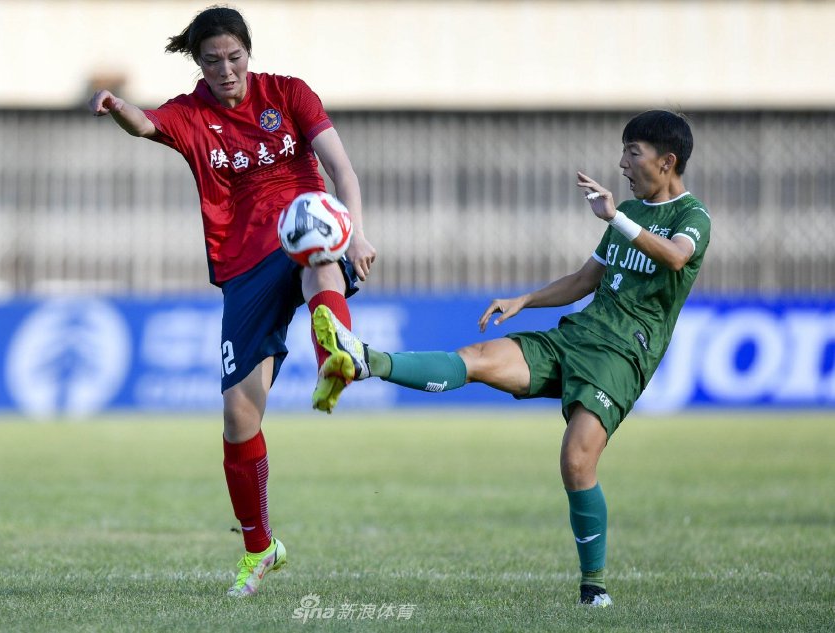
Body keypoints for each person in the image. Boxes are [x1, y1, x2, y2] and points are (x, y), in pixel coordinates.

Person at [313, 110, 709, 607]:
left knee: (576, 463)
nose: (623, 163)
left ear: (667, 161)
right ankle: (367, 361)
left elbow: (675, 257)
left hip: (624, 355)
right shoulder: (628, 215)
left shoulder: (690, 218)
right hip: (579, 336)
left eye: (634, 153)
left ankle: (595, 587)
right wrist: (525, 300)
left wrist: (617, 218)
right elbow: (585, 280)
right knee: (477, 357)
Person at [89, 6, 376, 597]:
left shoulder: (290, 95)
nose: (226, 69)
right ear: (199, 63)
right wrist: (119, 108)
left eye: (235, 57)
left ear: (250, 53)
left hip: (302, 229)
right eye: (213, 60)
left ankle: (335, 358)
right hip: (242, 267)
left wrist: (359, 230)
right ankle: (260, 548)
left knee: (317, 252)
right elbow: (146, 125)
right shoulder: (191, 114)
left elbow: (340, 167)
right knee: (238, 416)